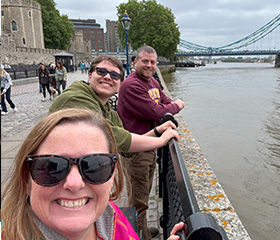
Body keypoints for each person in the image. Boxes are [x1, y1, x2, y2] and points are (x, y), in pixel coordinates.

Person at [1, 108, 184, 240]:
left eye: (95, 166)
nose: (74, 183)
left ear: (112, 176)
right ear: (26, 179)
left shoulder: (110, 217)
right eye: (52, 167)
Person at [117, 45, 185, 240]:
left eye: (152, 62)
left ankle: (143, 228)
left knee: (144, 193)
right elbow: (157, 111)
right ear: (135, 62)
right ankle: (139, 235)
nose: (149, 65)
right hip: (137, 148)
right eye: (145, 61)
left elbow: (164, 101)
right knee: (138, 199)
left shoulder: (152, 82)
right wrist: (177, 105)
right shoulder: (132, 85)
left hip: (150, 144)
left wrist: (167, 106)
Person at [49, 55, 179, 157]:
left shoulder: (108, 110)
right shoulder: (76, 99)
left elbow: (124, 147)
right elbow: (109, 136)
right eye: (101, 71)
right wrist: (162, 141)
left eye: (114, 75)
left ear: (119, 85)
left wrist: (157, 131)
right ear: (90, 76)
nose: (107, 77)